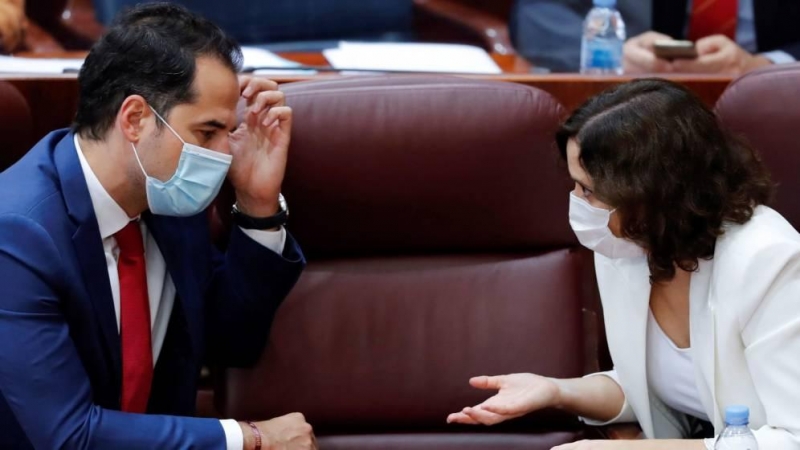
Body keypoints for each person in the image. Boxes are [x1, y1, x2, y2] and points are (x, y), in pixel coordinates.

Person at [0, 3, 316, 449]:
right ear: (134, 119)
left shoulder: (167, 199)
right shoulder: (16, 233)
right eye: (208, 133)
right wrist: (249, 439)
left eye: (228, 131)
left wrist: (257, 203)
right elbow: (69, 436)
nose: (226, 154)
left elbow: (231, 344)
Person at [448, 79, 800, 448]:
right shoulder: (626, 244)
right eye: (575, 185)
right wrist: (554, 391)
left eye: (589, 191)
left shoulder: (770, 261)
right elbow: (659, 392)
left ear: (655, 194)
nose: (577, 203)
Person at [511, 0, 800, 74]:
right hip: (627, 103)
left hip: (777, 104)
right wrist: (613, 54)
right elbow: (536, 13)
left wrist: (766, 66)